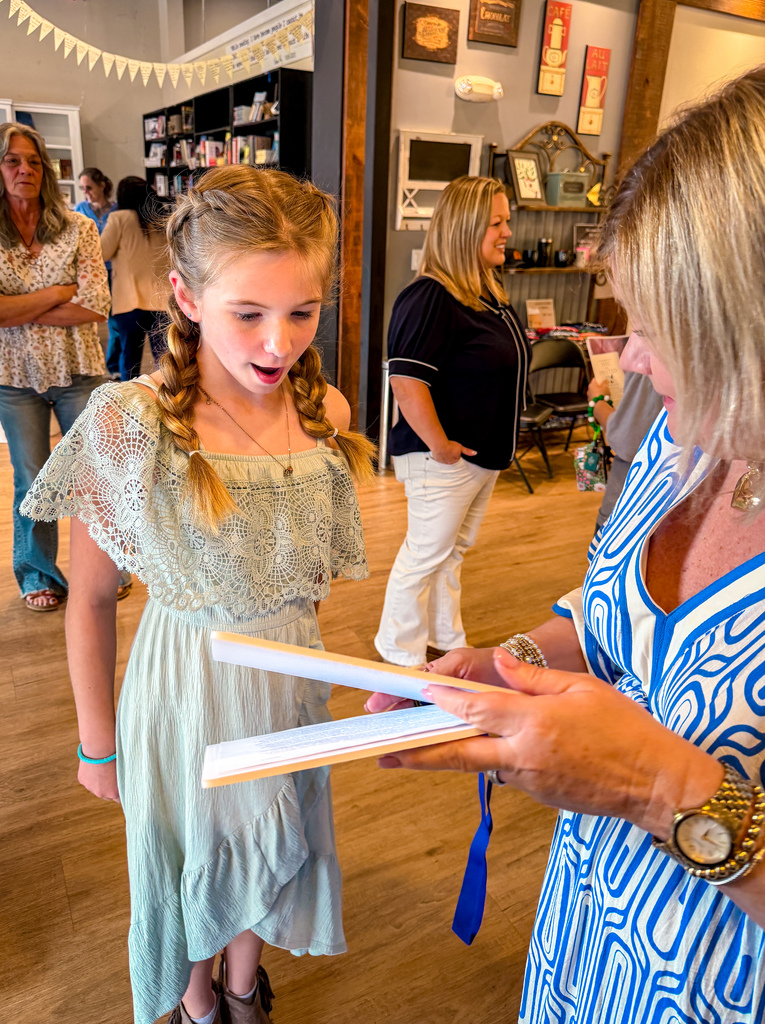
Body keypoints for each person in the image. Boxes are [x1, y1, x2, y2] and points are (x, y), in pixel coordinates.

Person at [368, 68, 765, 1022]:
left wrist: (652, 783)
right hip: (587, 941)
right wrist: (508, 663)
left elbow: (650, 767)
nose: (627, 356)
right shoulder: (687, 433)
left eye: (661, 327)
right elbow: (606, 612)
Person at [22, 166, 375, 1024]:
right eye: (247, 314)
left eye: (302, 311)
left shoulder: (320, 407)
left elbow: (308, 577)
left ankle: (245, 986)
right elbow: (94, 597)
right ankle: (195, 1002)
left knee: (271, 840)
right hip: (185, 684)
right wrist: (96, 741)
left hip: (289, 675)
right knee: (188, 854)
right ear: (182, 296)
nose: (277, 342)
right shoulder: (127, 422)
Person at [374, 175, 529, 667]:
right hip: (443, 458)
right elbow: (407, 382)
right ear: (466, 228)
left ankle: (448, 641)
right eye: (497, 223)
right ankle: (400, 656)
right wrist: (440, 446)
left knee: (450, 553)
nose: (507, 231)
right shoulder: (430, 297)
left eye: (507, 221)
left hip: (480, 456)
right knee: (424, 556)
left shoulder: (485, 293)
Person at [0, 122, 116, 612]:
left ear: (46, 170)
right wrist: (58, 292)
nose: (24, 170)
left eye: (33, 161)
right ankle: (38, 575)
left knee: (98, 475)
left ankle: (107, 571)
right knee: (33, 480)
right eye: (12, 161)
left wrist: (17, 306)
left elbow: (96, 304)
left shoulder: (79, 227)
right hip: (13, 379)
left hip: (81, 372)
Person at [100, 175, 171, 381]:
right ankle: (170, 398)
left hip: (130, 301)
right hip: (162, 300)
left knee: (130, 356)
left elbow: (102, 252)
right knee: (165, 358)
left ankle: (129, 402)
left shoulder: (118, 219)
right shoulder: (160, 218)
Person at [586, 370, 663, 531]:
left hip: (633, 510)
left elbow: (627, 439)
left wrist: (598, 402)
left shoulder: (648, 365)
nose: (626, 360)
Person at [75, 166, 121, 378]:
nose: (86, 192)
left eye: (89, 187)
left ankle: (112, 367)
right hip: (91, 275)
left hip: (116, 272)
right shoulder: (80, 209)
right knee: (95, 320)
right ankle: (104, 366)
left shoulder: (117, 210)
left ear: (103, 186)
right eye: (83, 188)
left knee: (115, 321)